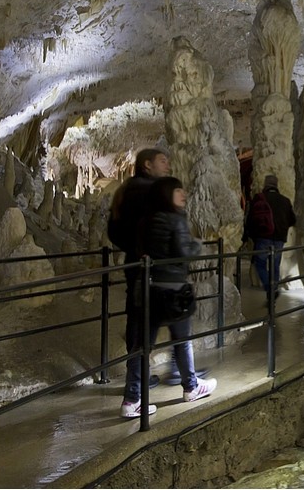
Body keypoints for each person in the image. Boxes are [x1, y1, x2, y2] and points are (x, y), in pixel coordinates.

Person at [120, 176, 217, 417]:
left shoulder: (145, 221)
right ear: (167, 194)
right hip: (172, 290)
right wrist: (196, 245)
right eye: (178, 191)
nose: (183, 194)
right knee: (182, 340)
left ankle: (132, 399)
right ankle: (191, 387)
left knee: (142, 346)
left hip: (148, 289)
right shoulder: (176, 219)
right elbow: (183, 253)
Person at [108, 148, 170, 414]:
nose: (167, 165)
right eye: (162, 161)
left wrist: (133, 250)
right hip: (151, 267)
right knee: (146, 328)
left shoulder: (124, 190)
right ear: (147, 165)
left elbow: (113, 230)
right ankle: (133, 397)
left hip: (134, 264)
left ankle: (140, 380)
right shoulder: (151, 193)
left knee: (137, 323)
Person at [246, 174, 296, 298]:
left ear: (265, 185)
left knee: (260, 263)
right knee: (275, 264)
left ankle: (269, 288)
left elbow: (250, 219)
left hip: (263, 237)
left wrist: (250, 235)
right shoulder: (285, 200)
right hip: (279, 238)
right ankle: (274, 287)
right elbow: (293, 220)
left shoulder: (259, 198)